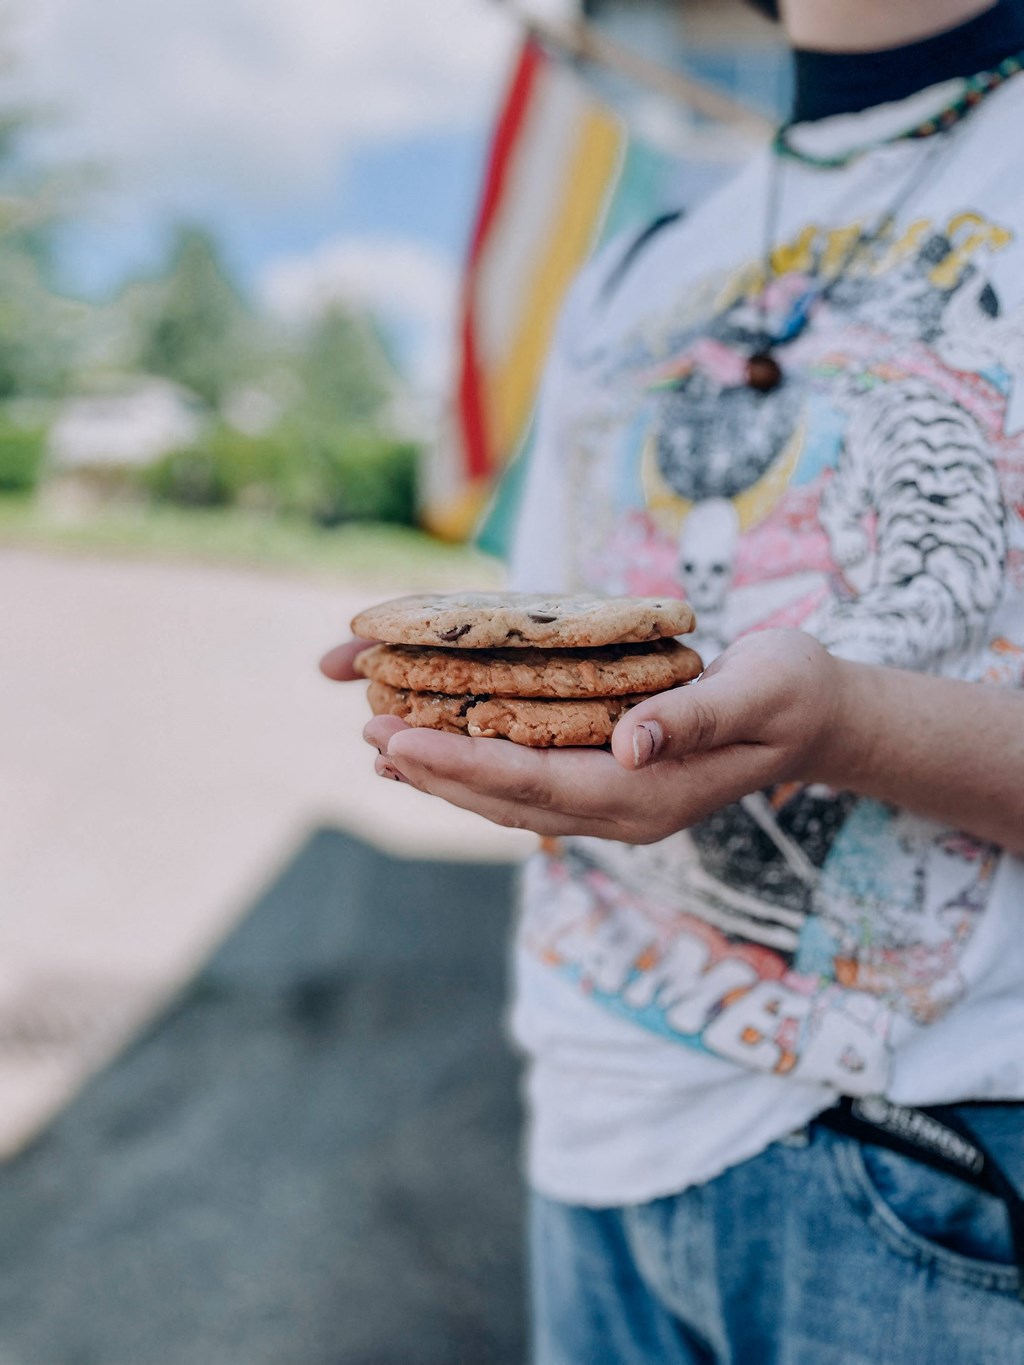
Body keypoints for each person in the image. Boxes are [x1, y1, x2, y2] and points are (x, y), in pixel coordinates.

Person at [321, 1, 1024, 1359]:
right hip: (597, 1134)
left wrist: (849, 723)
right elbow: (556, 632)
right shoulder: (637, 268)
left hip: (934, 1184)